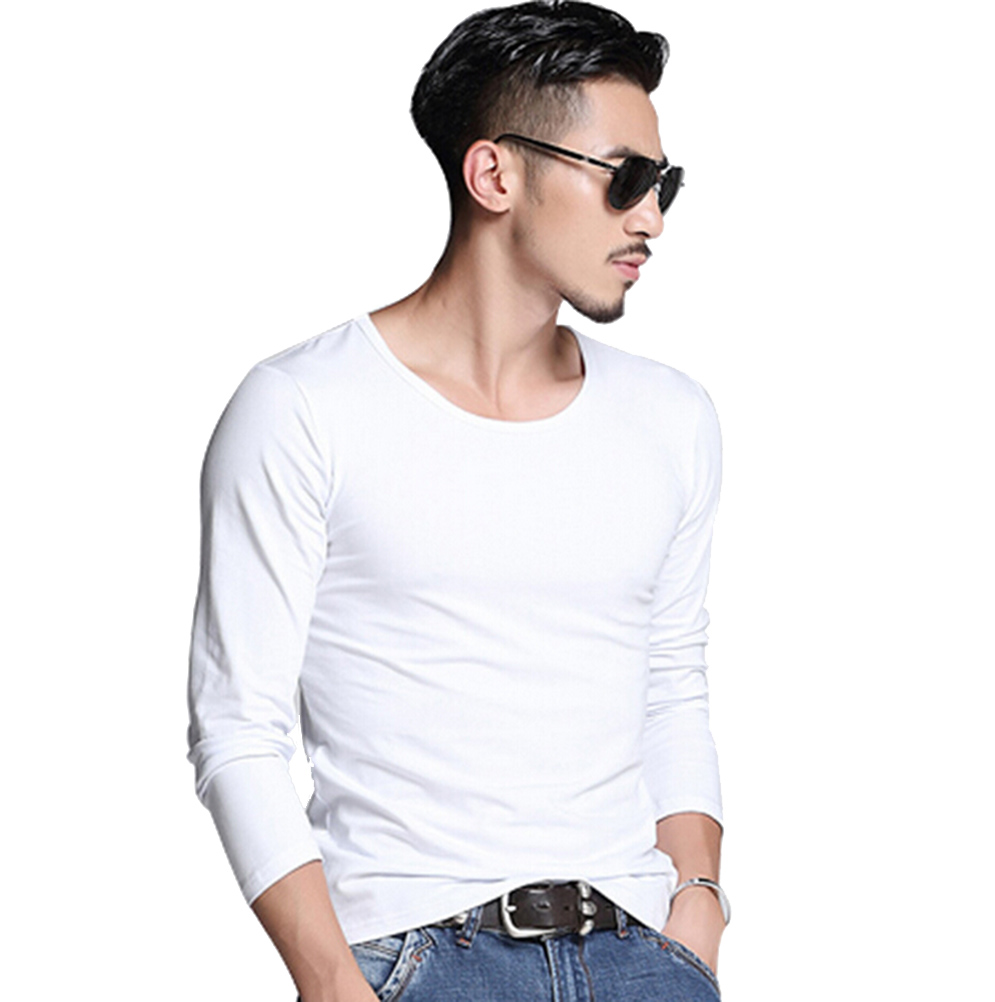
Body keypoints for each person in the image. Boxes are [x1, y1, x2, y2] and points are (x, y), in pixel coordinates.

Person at [187, 2, 730, 1000]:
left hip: (642, 955)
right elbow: (237, 724)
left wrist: (698, 908)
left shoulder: (672, 417)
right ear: (494, 175)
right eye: (625, 179)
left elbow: (672, 684)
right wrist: (332, 983)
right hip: (418, 959)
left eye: (666, 184)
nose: (651, 218)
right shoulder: (303, 407)